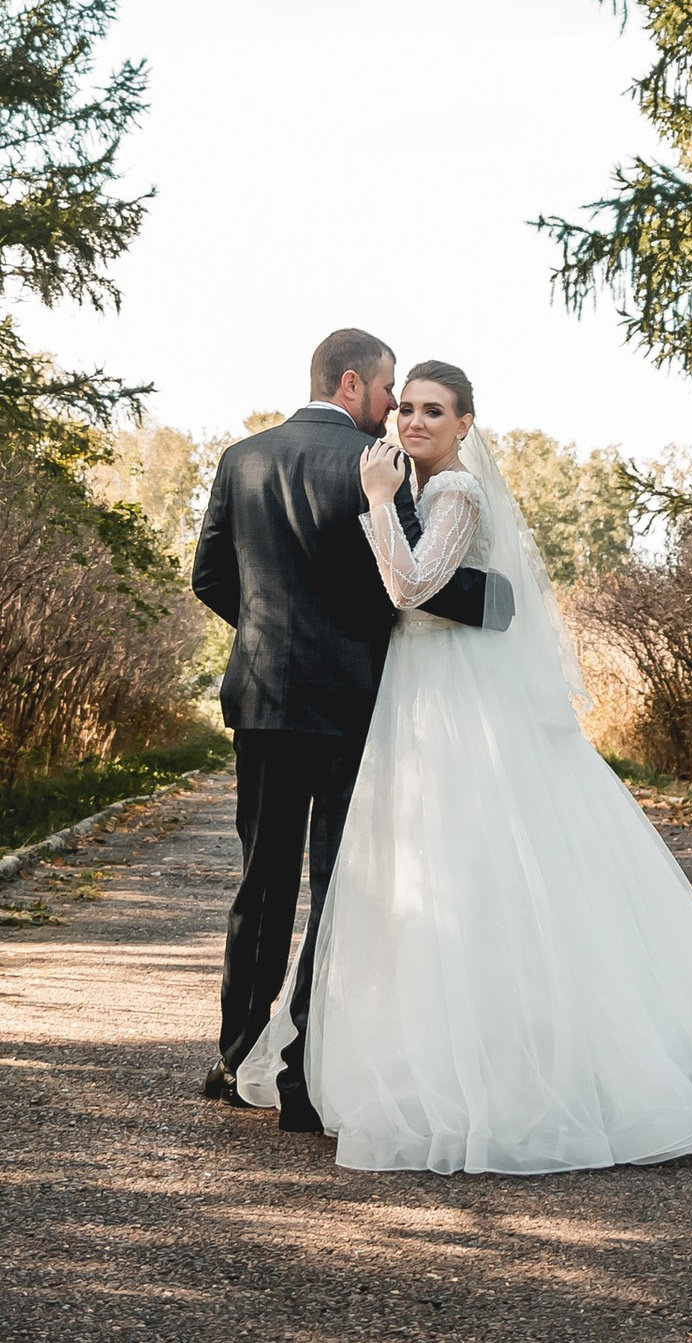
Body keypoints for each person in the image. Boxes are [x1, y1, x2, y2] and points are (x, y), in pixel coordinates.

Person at [236, 358, 692, 1174]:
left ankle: (517, 1069)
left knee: (477, 858)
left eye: (433, 411)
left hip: (457, 695)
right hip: (418, 690)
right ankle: (433, 1042)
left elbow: (413, 585)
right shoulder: (427, 488)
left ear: (466, 423)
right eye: (409, 408)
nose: (414, 421)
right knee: (429, 871)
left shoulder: (452, 490)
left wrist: (383, 504)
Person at [189, 324, 495, 1130]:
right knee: (335, 884)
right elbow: (409, 587)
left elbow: (210, 574)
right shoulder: (376, 470)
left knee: (260, 879)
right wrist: (490, 606)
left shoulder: (240, 458)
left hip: (260, 698)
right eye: (390, 388)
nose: (395, 406)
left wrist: (264, 634)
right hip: (349, 699)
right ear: (355, 382)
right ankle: (300, 1075)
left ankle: (236, 1052)